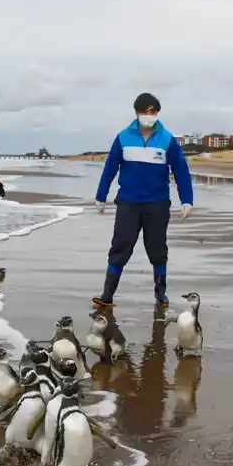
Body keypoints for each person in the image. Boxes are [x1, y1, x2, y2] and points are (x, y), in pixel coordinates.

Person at [93, 92, 194, 307]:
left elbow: (181, 170)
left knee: (157, 249)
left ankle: (160, 294)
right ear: (136, 113)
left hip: (157, 203)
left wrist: (187, 199)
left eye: (153, 112)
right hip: (128, 202)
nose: (150, 115)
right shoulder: (123, 137)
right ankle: (107, 295)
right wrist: (101, 196)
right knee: (121, 246)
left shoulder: (167, 139)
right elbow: (110, 167)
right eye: (145, 112)